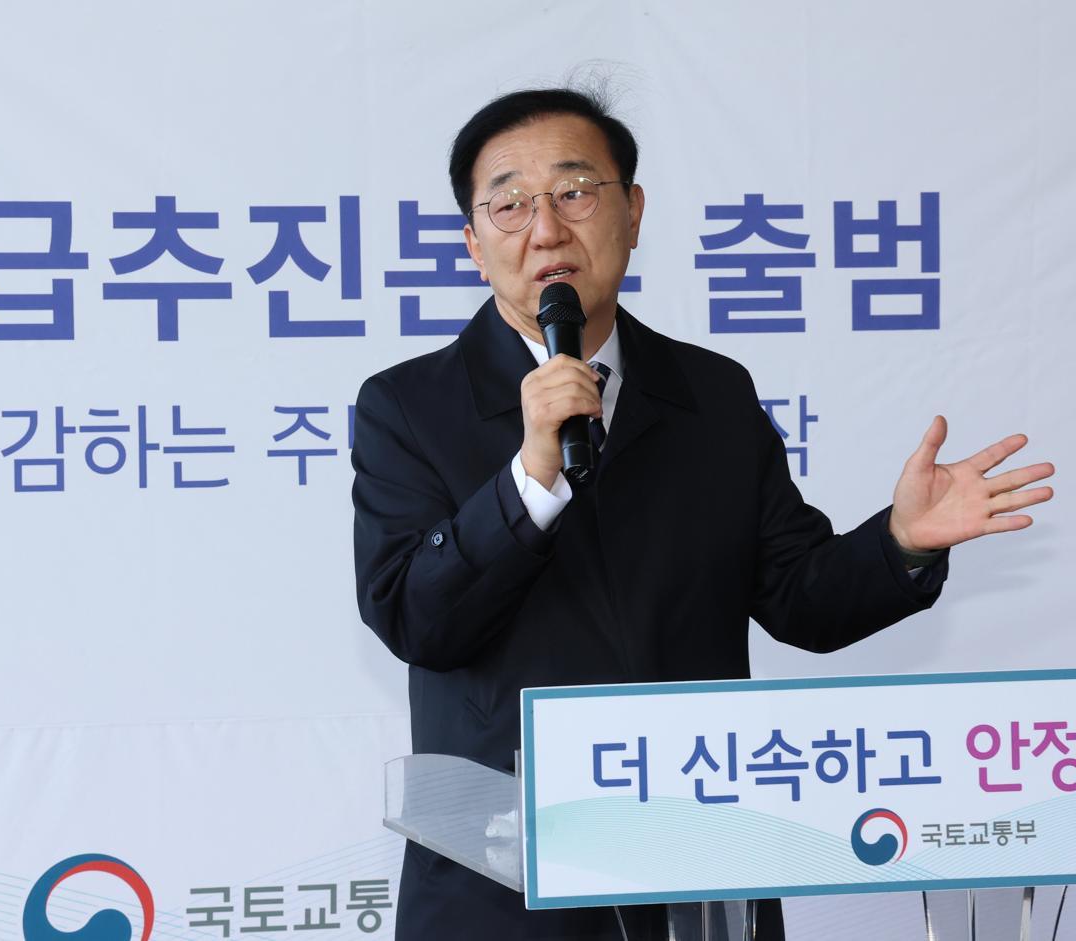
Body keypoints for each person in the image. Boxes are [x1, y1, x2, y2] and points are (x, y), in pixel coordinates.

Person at [350, 88, 1056, 941]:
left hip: (700, 880)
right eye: (510, 204)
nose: (546, 229)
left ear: (633, 212)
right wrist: (530, 478)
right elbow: (416, 615)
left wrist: (900, 541)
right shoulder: (408, 407)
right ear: (473, 242)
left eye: (575, 192)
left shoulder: (711, 393)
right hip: (502, 897)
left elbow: (799, 597)